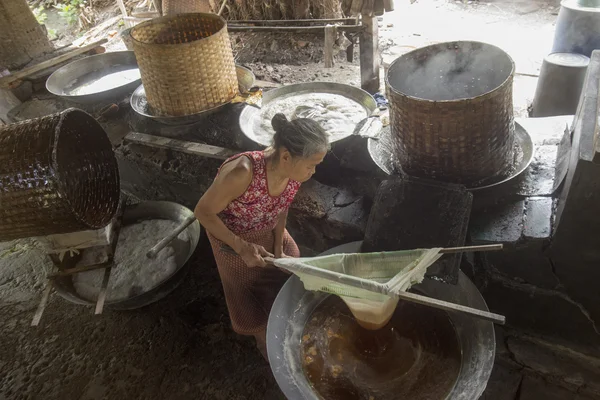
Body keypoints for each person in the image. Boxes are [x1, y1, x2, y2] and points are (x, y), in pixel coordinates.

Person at [194, 113, 329, 359]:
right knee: (249, 290)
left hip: (266, 226)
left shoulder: (291, 171)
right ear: (286, 156)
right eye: (311, 165)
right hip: (231, 236)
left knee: (292, 260)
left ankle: (283, 312)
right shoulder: (242, 173)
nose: (314, 171)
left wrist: (278, 245)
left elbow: (282, 205)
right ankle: (263, 339)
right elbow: (203, 212)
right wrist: (241, 246)